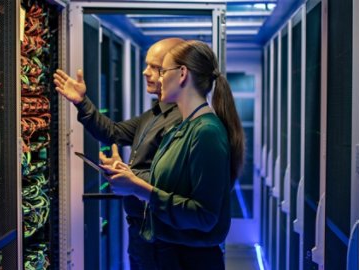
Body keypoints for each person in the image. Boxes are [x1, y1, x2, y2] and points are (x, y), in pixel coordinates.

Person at [100, 40, 245, 270]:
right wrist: (127, 176)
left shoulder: (206, 131)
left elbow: (205, 216)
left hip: (190, 260)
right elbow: (170, 187)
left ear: (182, 74)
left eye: (163, 71)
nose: (158, 78)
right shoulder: (183, 127)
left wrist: (137, 187)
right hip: (168, 254)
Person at [53, 38, 184, 270]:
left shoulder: (182, 120)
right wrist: (82, 103)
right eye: (147, 65)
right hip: (142, 232)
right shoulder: (155, 113)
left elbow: (171, 181)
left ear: (179, 72)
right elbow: (113, 133)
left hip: (163, 238)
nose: (146, 72)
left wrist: (127, 175)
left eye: (155, 67)